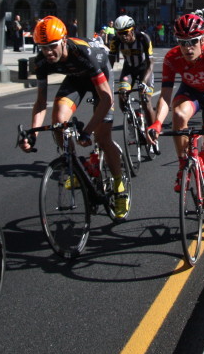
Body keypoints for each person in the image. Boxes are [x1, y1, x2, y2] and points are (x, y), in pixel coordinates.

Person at [19, 17, 130, 218]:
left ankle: (119, 185)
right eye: (43, 48)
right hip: (76, 79)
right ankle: (77, 165)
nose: (48, 52)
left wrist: (87, 132)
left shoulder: (84, 54)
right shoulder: (42, 61)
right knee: (58, 121)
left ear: (63, 40)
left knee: (103, 138)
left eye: (52, 46)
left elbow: (105, 99)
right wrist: (33, 133)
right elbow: (41, 102)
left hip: (99, 75)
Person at [146, 13, 204, 223]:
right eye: (182, 43)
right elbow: (166, 97)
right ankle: (183, 164)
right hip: (191, 93)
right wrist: (157, 123)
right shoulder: (171, 57)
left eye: (193, 41)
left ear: (203, 40)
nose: (188, 48)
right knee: (177, 114)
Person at [108, 15, 158, 138]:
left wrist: (144, 82)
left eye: (125, 33)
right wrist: (104, 81)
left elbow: (151, 62)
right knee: (122, 96)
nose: (122, 36)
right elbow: (110, 63)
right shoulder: (115, 41)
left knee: (145, 99)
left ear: (132, 29)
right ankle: (132, 122)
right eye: (119, 33)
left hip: (144, 69)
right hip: (129, 70)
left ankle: (153, 133)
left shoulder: (144, 38)